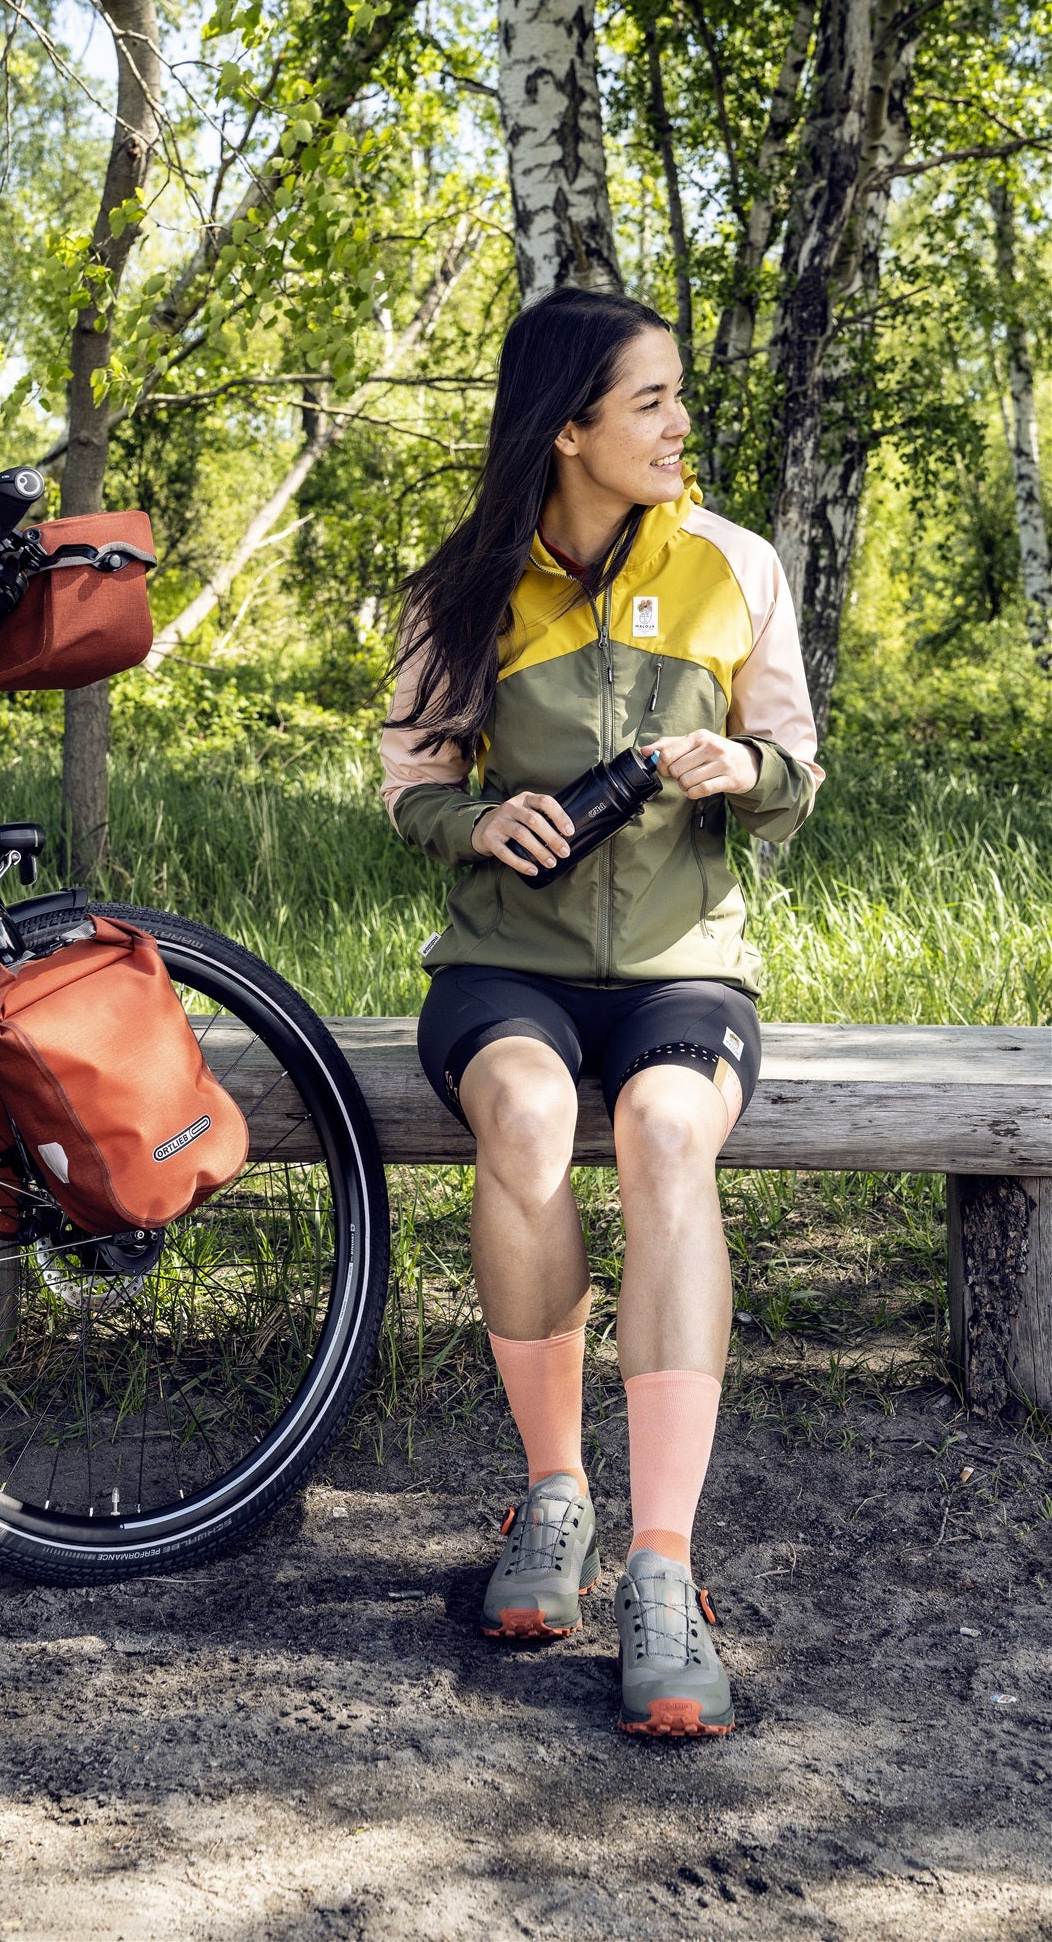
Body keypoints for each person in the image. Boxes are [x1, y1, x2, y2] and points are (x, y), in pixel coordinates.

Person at [380, 287, 822, 1739]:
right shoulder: (460, 591)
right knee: (521, 1116)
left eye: (676, 396)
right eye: (651, 401)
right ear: (567, 429)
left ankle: (661, 1566)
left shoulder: (734, 565)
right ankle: (555, 1495)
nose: (680, 424)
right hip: (506, 962)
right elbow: (412, 786)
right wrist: (475, 820)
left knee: (664, 1133)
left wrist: (743, 770)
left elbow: (795, 773)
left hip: (685, 966)